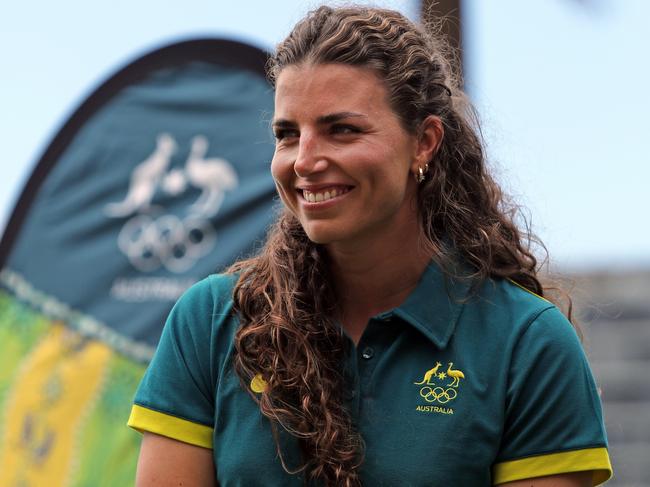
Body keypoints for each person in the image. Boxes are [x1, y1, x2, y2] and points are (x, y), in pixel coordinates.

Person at [128, 5, 613, 486]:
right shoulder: (210, 322)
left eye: (342, 129)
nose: (305, 161)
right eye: (288, 135)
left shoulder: (527, 344)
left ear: (423, 142)